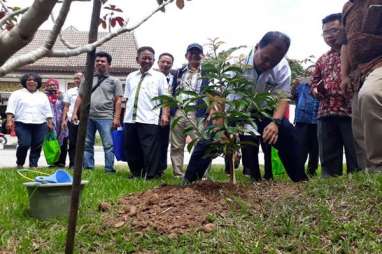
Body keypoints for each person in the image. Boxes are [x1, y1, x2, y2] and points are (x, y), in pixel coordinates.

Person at [184, 31, 308, 183]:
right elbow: (217, 93)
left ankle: (300, 180)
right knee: (209, 141)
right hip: (230, 109)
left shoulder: (282, 67)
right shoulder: (235, 60)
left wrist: (275, 123)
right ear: (257, 47)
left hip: (259, 109)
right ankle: (188, 184)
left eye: (274, 61)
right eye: (265, 59)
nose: (268, 65)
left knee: (288, 134)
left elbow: (283, 97)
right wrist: (220, 127)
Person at [311, 13, 358, 177]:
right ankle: (330, 188)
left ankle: (358, 185)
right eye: (326, 32)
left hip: (351, 112)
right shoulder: (321, 59)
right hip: (325, 112)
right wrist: (317, 90)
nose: (330, 36)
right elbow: (314, 83)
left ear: (344, 29)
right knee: (328, 159)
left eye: (334, 30)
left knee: (356, 155)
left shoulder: (355, 52)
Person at [341, 0, 382, 172]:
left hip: (379, 62)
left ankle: (379, 167)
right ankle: (369, 172)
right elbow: (344, 44)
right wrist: (344, 76)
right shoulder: (347, 7)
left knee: (370, 95)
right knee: (358, 123)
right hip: (358, 71)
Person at [123, 46, 170, 179]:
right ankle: (136, 173)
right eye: (144, 58)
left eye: (150, 58)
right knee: (131, 147)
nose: (147, 61)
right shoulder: (131, 76)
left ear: (154, 60)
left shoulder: (159, 77)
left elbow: (166, 98)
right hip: (130, 118)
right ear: (137, 59)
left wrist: (165, 114)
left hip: (149, 118)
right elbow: (126, 98)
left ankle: (151, 174)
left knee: (149, 149)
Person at [72, 51, 123, 173]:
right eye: (97, 61)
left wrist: (116, 118)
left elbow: (118, 101)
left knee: (108, 145)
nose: (100, 63)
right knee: (87, 144)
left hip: (106, 117)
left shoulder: (114, 81)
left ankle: (109, 169)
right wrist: (74, 113)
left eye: (103, 61)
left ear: (109, 64)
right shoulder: (87, 79)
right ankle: (89, 168)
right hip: (87, 117)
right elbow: (80, 97)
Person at [170, 43, 209, 177]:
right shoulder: (179, 72)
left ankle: (200, 174)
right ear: (186, 55)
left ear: (202, 56)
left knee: (200, 143)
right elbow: (172, 91)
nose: (194, 55)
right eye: (191, 53)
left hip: (197, 111)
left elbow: (212, 94)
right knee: (176, 144)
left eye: (198, 53)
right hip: (180, 111)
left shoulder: (207, 73)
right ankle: (178, 173)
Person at [5, 73, 53, 168]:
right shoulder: (16, 94)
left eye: (34, 80)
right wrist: (9, 120)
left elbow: (48, 111)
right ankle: (20, 163)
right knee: (24, 144)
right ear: (25, 82)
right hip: (22, 123)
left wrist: (50, 123)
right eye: (29, 80)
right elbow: (10, 109)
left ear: (37, 83)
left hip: (40, 124)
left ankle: (33, 165)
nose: (31, 82)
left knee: (37, 146)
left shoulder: (42, 96)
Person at [291, 65, 319, 176]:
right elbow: (291, 95)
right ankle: (299, 170)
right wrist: (294, 85)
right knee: (301, 146)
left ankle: (312, 171)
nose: (311, 76)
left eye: (313, 73)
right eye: (309, 74)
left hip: (317, 120)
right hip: (301, 120)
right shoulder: (301, 86)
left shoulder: (320, 86)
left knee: (315, 148)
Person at [157, 52, 175, 175]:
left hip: (169, 114)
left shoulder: (175, 79)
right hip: (151, 113)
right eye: (163, 61)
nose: (165, 64)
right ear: (158, 63)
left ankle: (161, 168)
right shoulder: (151, 76)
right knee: (152, 142)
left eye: (168, 62)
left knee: (163, 142)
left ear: (172, 64)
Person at [45, 78, 68, 167]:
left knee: (63, 142)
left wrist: (65, 120)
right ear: (46, 87)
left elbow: (67, 108)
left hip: (62, 123)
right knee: (51, 142)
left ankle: (61, 162)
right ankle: (52, 162)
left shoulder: (62, 96)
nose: (52, 86)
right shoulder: (44, 97)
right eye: (50, 85)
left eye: (54, 85)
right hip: (50, 123)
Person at [62, 72, 83, 168]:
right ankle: (72, 164)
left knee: (84, 143)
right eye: (75, 78)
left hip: (85, 120)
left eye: (79, 78)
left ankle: (84, 164)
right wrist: (64, 120)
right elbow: (66, 107)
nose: (76, 80)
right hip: (72, 120)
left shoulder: (90, 90)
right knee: (73, 142)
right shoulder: (70, 91)